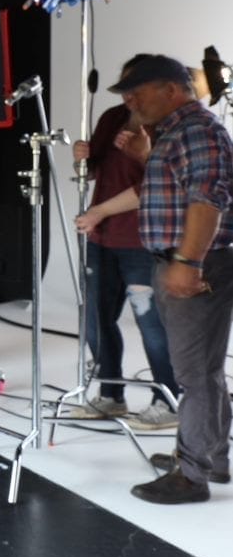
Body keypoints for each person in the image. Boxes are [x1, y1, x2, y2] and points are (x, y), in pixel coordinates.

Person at [76, 54, 233, 505]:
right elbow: (168, 189)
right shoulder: (173, 132)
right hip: (179, 260)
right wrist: (147, 157)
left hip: (196, 264)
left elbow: (207, 199)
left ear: (171, 89)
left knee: (194, 375)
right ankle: (210, 456)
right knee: (204, 371)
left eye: (137, 90)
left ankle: (191, 474)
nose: (129, 100)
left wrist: (188, 262)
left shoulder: (197, 131)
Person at [68, 54, 179, 429]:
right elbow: (95, 169)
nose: (130, 98)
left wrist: (99, 212)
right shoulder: (112, 118)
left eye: (136, 91)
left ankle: (169, 399)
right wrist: (80, 158)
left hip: (142, 240)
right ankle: (111, 394)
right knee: (96, 320)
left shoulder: (166, 127)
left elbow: (154, 186)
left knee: (152, 325)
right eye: (125, 91)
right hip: (102, 239)